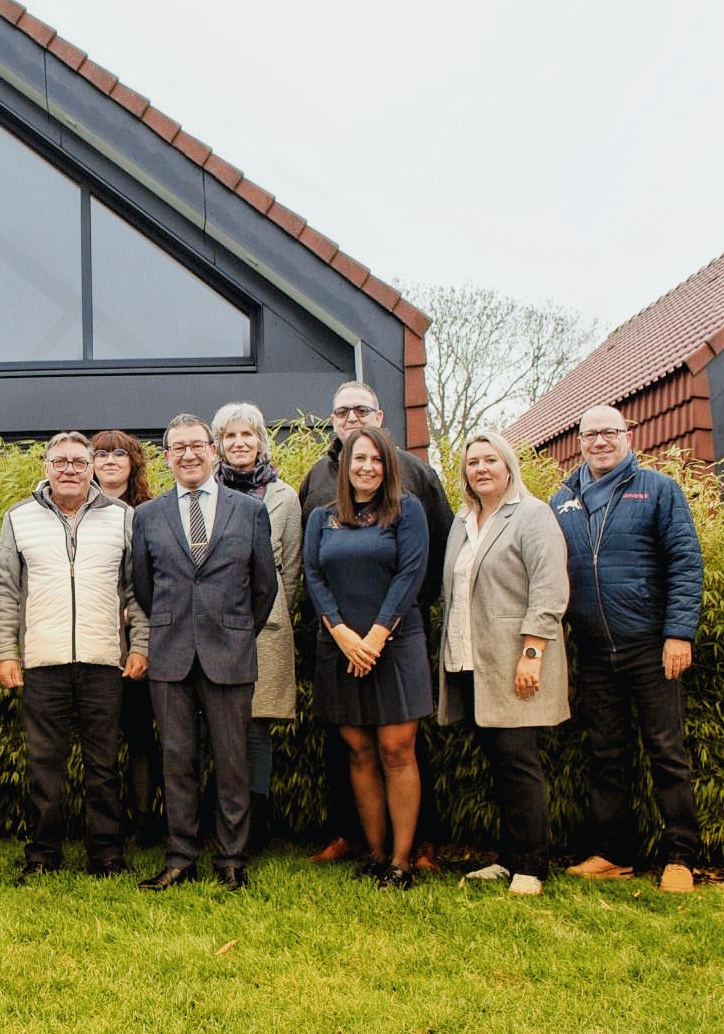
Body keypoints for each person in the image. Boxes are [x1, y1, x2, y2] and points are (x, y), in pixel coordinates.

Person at [298, 380, 451, 871]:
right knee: (358, 749)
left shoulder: (406, 510)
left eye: (375, 461)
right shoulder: (324, 516)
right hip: (339, 646)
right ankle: (375, 852)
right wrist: (342, 633)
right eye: (357, 460)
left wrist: (378, 634)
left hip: (395, 642)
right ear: (345, 465)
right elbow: (313, 575)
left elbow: (413, 574)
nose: (366, 467)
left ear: (387, 465)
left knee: (396, 746)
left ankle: (403, 860)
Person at [551, 405, 704, 894]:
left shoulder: (658, 490)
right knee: (606, 754)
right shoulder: (562, 500)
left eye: (609, 432)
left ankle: (681, 857)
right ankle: (614, 853)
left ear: (627, 435)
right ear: (579, 441)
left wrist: (678, 633)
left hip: (650, 646)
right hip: (594, 650)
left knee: (666, 752)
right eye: (590, 433)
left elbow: (685, 562)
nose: (600, 441)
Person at [0, 432, 150, 882]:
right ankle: (42, 854)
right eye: (59, 461)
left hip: (104, 661)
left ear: (91, 468)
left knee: (103, 765)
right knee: (44, 765)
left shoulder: (122, 517)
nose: (69, 469)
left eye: (79, 462)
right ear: (45, 467)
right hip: (44, 662)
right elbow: (5, 591)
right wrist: (6, 651)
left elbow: (137, 589)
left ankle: (107, 853)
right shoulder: (19, 518)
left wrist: (139, 644)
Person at [130, 414, 277, 891]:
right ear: (167, 456)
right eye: (178, 447)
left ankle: (232, 857)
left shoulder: (249, 510)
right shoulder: (149, 516)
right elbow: (145, 588)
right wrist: (179, 626)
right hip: (170, 655)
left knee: (232, 760)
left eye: (196, 445)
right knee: (177, 760)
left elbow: (264, 587)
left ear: (213, 450)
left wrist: (234, 631)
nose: (188, 454)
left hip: (230, 652)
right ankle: (181, 855)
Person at [439, 431, 569, 897]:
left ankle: (532, 866)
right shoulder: (463, 520)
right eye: (473, 462)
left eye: (490, 459)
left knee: (519, 761)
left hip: (518, 660)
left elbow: (550, 589)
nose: (481, 469)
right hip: (474, 661)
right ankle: (509, 858)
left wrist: (532, 653)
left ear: (508, 465)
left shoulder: (533, 516)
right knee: (497, 761)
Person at [210, 402, 301, 849]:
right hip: (213, 622)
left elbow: (294, 568)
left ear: (261, 441)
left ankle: (255, 828)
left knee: (256, 726)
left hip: (267, 624)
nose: (239, 443)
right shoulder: (202, 493)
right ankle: (224, 822)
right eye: (230, 436)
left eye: (247, 435)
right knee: (217, 722)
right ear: (218, 445)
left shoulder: (285, 496)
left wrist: (273, 609)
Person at [89, 429, 163, 847]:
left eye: (120, 453)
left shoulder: (152, 512)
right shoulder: (77, 509)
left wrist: (135, 618)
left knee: (139, 733)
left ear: (133, 462)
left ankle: (143, 821)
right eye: (101, 454)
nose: (111, 460)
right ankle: (104, 821)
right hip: (92, 640)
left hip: (139, 638)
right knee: (98, 736)